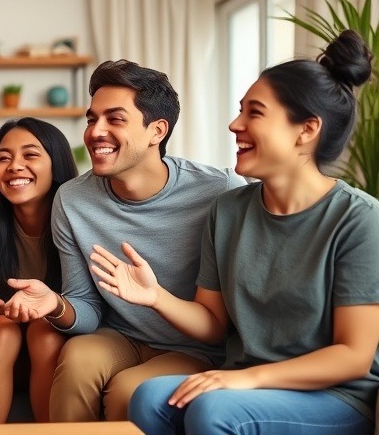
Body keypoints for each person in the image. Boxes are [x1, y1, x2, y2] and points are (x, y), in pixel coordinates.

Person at [93, 30, 379, 434]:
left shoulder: (358, 218)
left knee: (214, 412)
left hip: (333, 394)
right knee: (150, 397)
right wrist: (156, 297)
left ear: (307, 129)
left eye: (254, 113)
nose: (235, 124)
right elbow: (212, 321)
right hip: (245, 383)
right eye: (239, 110)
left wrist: (246, 379)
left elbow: (353, 356)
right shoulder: (229, 210)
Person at [0, 59, 246, 422]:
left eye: (114, 119)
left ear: (156, 131)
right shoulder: (72, 199)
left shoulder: (219, 191)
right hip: (120, 335)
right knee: (78, 358)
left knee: (128, 390)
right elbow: (86, 305)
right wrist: (55, 304)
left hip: (193, 346)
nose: (96, 131)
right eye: (91, 118)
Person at [0, 118, 78, 423]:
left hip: (55, 333)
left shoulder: (79, 215)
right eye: (4, 158)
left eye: (30, 155)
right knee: (2, 329)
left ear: (56, 164)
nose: (15, 166)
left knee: (45, 331)